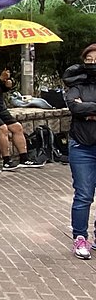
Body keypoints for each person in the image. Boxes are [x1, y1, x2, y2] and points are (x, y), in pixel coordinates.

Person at [63, 43, 96, 260]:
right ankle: (80, 237)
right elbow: (73, 106)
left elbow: (81, 107)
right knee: (84, 195)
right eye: (89, 60)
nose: (92, 63)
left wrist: (88, 108)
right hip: (81, 147)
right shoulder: (77, 82)